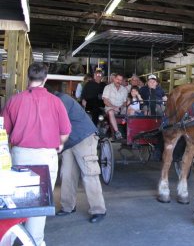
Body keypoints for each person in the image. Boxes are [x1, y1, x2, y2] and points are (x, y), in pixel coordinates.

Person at [1, 62, 71, 246]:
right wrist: (60, 145)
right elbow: (65, 132)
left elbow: (3, 131)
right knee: (39, 204)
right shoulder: (56, 101)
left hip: (20, 155)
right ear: (46, 79)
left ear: (28, 77)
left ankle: (10, 238)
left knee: (15, 200)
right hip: (46, 157)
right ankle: (34, 241)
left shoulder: (14, 101)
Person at [48, 89, 107, 223]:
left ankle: (98, 210)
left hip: (83, 137)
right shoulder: (56, 100)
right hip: (69, 142)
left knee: (89, 174)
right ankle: (68, 206)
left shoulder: (62, 100)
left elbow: (55, 122)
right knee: (67, 174)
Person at [102, 73, 128, 140]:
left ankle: (129, 131)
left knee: (130, 110)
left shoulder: (124, 90)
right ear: (114, 79)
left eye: (120, 80)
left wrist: (121, 107)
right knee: (111, 112)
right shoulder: (107, 87)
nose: (118, 81)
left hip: (121, 108)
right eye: (117, 79)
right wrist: (114, 107)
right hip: (110, 107)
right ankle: (117, 132)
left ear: (122, 81)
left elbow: (125, 102)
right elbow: (105, 101)